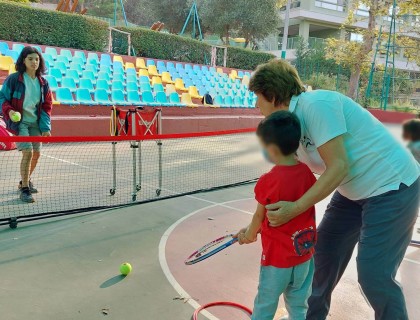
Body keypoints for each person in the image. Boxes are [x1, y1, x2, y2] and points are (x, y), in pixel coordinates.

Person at [248, 59, 419, 320]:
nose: (256, 106)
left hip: (392, 187)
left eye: (258, 98)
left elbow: (338, 167)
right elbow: (295, 174)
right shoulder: (289, 124)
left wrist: (295, 208)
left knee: (374, 274)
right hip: (352, 192)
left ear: (272, 95)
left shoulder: (316, 105)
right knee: (323, 256)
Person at [236, 110, 317, 320]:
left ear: (271, 149)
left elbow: (258, 218)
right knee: (299, 305)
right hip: (304, 256)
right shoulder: (307, 173)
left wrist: (248, 235)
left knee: (265, 304)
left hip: (276, 261)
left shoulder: (268, 180)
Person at [0, 46, 52, 203]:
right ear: (23, 60)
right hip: (20, 122)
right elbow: (2, 98)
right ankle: (25, 189)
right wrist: (9, 112)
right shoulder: (14, 79)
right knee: (28, 152)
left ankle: (24, 180)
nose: (34, 62)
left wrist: (45, 127)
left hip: (35, 123)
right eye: (30, 59)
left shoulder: (43, 83)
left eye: (37, 59)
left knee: (37, 154)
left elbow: (47, 106)